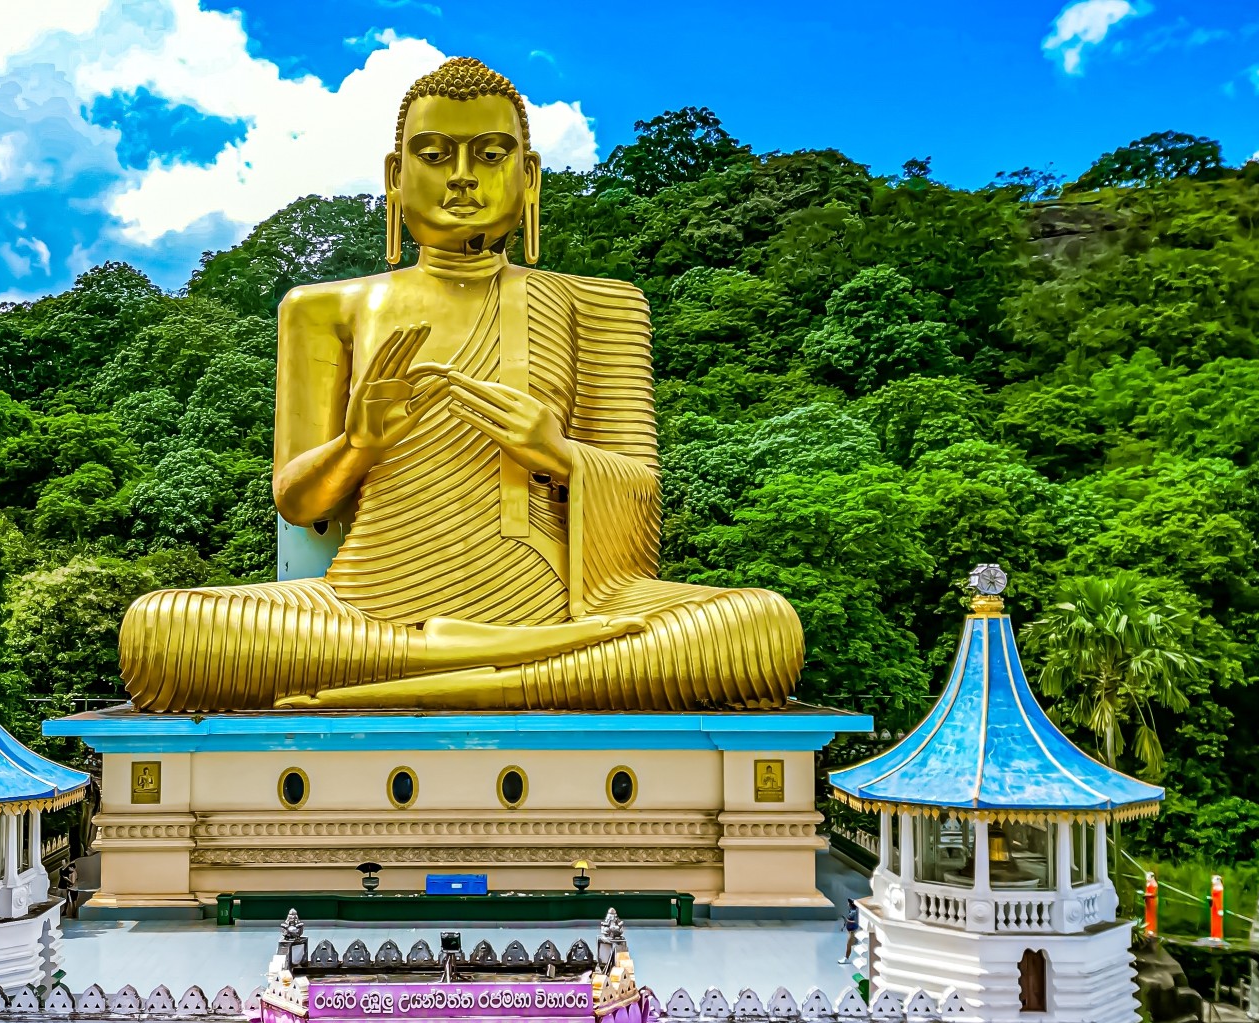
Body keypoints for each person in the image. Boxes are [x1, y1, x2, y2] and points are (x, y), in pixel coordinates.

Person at [118, 56, 804, 713]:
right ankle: (519, 671)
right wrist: (357, 444)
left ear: (529, 178)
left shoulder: (599, 304)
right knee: (161, 632)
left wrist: (559, 454)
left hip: (559, 602)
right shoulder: (325, 308)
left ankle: (445, 672)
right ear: (395, 175)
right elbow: (298, 501)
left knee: (761, 630)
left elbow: (642, 490)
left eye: (491, 154)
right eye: (437, 154)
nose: (463, 177)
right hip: (369, 605)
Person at [840, 899, 861, 964]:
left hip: (853, 931)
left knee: (849, 945)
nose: (847, 904)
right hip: (850, 931)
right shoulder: (851, 911)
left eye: (848, 903)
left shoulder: (855, 912)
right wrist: (843, 927)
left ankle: (846, 958)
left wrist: (847, 920)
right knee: (853, 944)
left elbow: (856, 921)